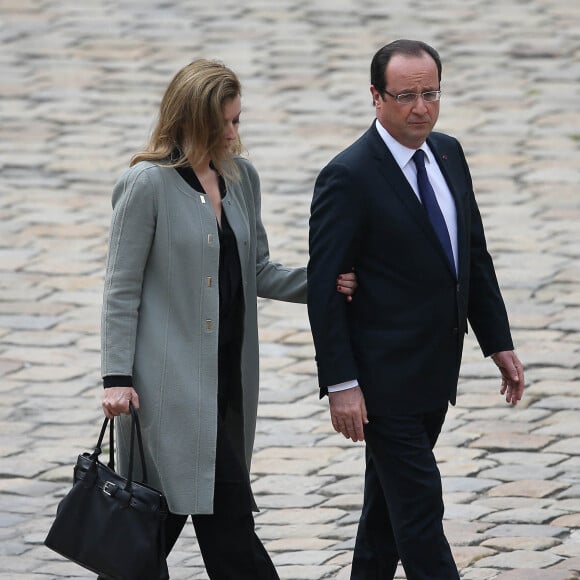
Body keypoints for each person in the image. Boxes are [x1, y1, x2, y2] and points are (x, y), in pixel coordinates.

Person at [100, 59, 357, 580]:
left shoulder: (241, 179)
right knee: (219, 524)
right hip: (165, 391)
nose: (235, 134)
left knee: (159, 528)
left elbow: (257, 268)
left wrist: (324, 282)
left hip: (229, 387)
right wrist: (116, 379)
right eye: (225, 124)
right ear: (192, 120)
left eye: (239, 120)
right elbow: (120, 289)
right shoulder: (145, 184)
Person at [307, 39, 525, 579]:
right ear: (376, 98)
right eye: (406, 95)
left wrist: (497, 342)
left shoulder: (448, 153)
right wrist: (341, 385)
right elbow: (323, 290)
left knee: (384, 520)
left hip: (434, 374)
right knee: (421, 509)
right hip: (383, 383)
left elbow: (471, 256)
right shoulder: (349, 175)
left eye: (431, 93)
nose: (421, 107)